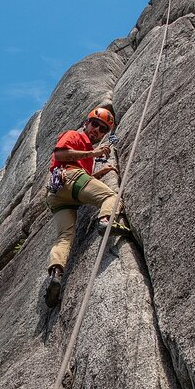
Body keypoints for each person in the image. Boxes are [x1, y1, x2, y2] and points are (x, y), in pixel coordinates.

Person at [44, 107, 130, 307]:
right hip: (69, 178)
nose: (96, 131)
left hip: (57, 195)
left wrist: (100, 172)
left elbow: (83, 179)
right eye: (95, 125)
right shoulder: (73, 135)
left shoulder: (86, 155)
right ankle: (106, 220)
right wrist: (94, 152)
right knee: (110, 197)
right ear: (86, 123)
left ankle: (55, 275)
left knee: (64, 236)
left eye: (102, 129)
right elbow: (60, 155)